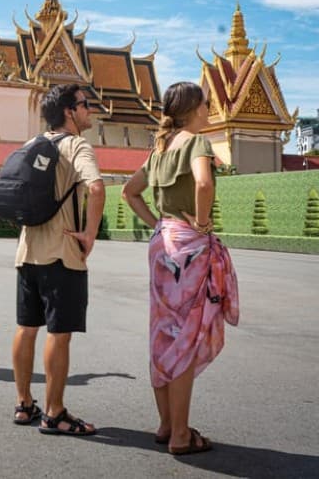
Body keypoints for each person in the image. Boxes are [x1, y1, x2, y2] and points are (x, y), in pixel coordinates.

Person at [121, 81, 239, 456]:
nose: (208, 109)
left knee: (163, 333)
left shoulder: (160, 148)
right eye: (205, 104)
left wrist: (157, 223)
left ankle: (167, 424)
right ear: (193, 109)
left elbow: (129, 191)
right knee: (185, 337)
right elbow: (204, 184)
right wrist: (202, 225)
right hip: (188, 246)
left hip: (162, 244)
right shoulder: (196, 143)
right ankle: (181, 436)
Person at [10, 84, 105, 436]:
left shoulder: (31, 144)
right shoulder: (77, 145)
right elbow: (97, 187)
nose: (89, 110)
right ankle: (54, 412)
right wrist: (90, 234)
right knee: (59, 334)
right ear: (69, 111)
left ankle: (24, 404)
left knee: (26, 328)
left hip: (27, 252)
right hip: (62, 255)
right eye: (85, 104)